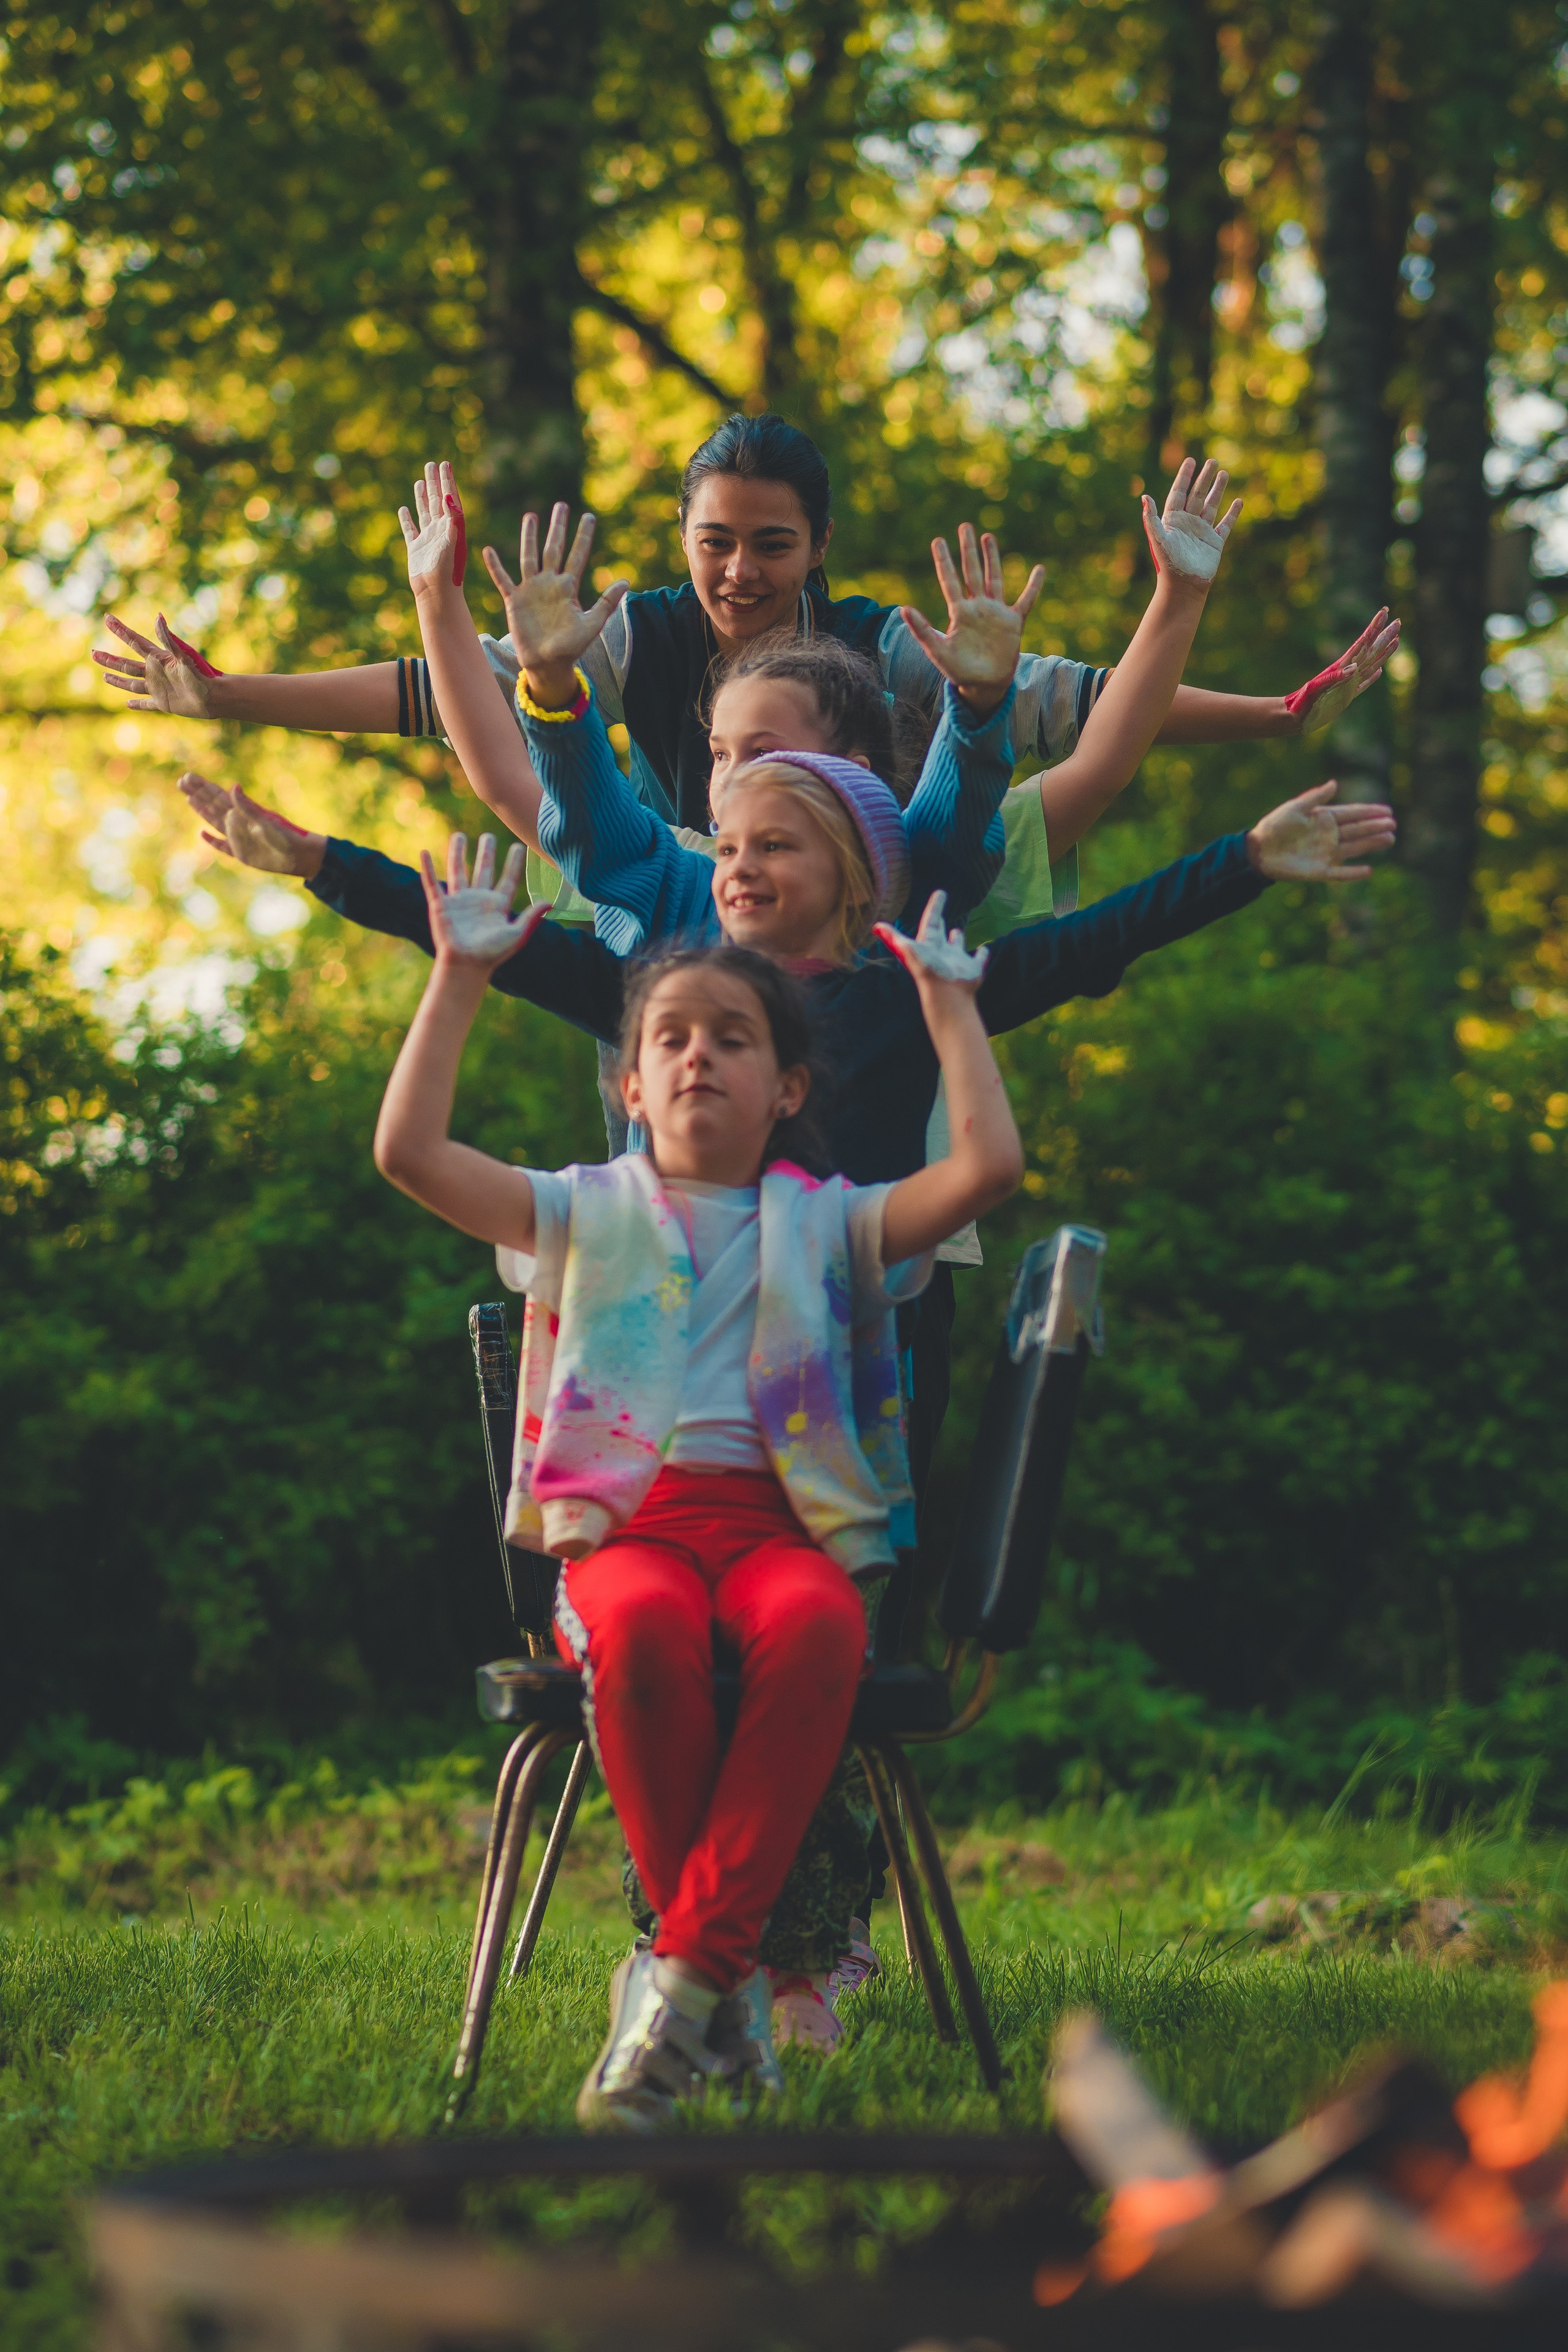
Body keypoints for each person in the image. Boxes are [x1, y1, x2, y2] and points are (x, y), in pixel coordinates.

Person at [372, 839, 1025, 2129]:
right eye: (669, 1038)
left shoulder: (829, 1219)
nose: (696, 1057)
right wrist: (456, 973)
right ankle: (714, 1985)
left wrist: (950, 1007)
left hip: (780, 1537)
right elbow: (407, 1152)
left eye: (731, 1039)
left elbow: (984, 1172)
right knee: (649, 1631)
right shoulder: (580, 1212)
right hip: (632, 1535)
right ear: (628, 1084)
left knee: (818, 1627)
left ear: (785, 1089)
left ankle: (671, 1985)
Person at [94, 410, 1400, 868]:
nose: (736, 570)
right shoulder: (636, 640)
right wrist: (234, 697)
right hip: (684, 917)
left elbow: (1093, 718)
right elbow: (453, 708)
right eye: (712, 540)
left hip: (857, 913)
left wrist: (1276, 715)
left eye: (769, 545)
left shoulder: (878, 647)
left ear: (816, 549)